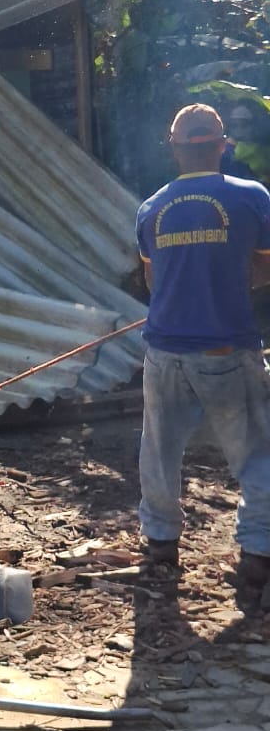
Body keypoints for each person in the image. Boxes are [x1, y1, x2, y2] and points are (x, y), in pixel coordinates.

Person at [136, 103, 270, 601]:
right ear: (221, 145)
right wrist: (229, 279)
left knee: (159, 451)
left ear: (174, 150)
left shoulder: (151, 208)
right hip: (226, 350)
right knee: (254, 453)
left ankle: (160, 545)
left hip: (164, 351)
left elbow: (153, 280)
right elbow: (264, 268)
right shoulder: (251, 197)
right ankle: (258, 555)